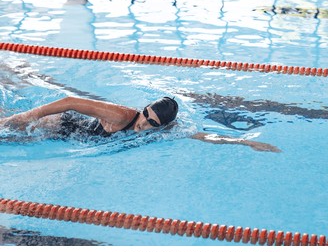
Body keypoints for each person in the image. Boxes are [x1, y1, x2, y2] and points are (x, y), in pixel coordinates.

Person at [0, 96, 281, 152]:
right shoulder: (122, 116)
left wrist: (244, 141)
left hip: (69, 139)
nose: (144, 126)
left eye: (153, 124)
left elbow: (199, 136)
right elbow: (70, 101)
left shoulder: (163, 128)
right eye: (146, 117)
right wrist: (27, 117)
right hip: (59, 125)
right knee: (6, 128)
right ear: (143, 109)